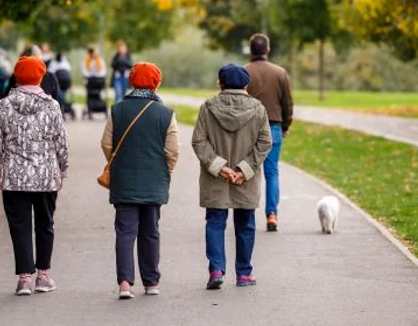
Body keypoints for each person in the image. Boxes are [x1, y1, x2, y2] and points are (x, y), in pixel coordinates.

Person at [0, 56, 69, 296]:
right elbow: (60, 141)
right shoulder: (52, 105)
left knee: (19, 227)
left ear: (17, 77)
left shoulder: (3, 105)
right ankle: (43, 276)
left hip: (14, 178)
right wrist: (63, 168)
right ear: (41, 76)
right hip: (45, 177)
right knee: (45, 224)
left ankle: (24, 280)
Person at [100, 62, 180, 299]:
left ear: (131, 82)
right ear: (157, 84)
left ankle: (125, 283)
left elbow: (106, 144)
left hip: (124, 180)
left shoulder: (117, 110)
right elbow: (173, 151)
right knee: (150, 231)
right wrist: (164, 172)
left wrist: (120, 163)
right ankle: (151, 282)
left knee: (125, 232)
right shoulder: (165, 114)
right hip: (154, 180)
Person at [192, 64, 272, 290]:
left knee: (215, 223)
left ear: (220, 83)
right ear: (246, 85)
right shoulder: (258, 109)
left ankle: (217, 269)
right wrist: (244, 170)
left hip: (216, 178)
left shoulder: (208, 108)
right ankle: (244, 273)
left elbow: (199, 141)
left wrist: (220, 167)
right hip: (245, 179)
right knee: (245, 225)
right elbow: (265, 142)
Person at [244, 34, 294, 232]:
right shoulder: (280, 73)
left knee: (249, 172)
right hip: (273, 127)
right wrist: (285, 126)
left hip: (249, 129)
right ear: (268, 50)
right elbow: (287, 104)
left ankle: (247, 213)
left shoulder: (244, 73)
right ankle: (271, 214)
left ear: (251, 51)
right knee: (272, 173)